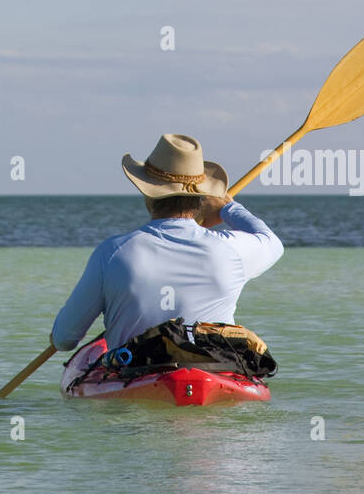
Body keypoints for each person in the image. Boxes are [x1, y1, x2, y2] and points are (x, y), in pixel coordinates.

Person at [50, 133, 284, 354]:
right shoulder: (231, 250)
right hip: (215, 369)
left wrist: (57, 337)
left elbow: (64, 339)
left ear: (148, 192)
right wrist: (228, 208)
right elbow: (272, 242)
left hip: (136, 373)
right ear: (201, 197)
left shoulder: (111, 253)